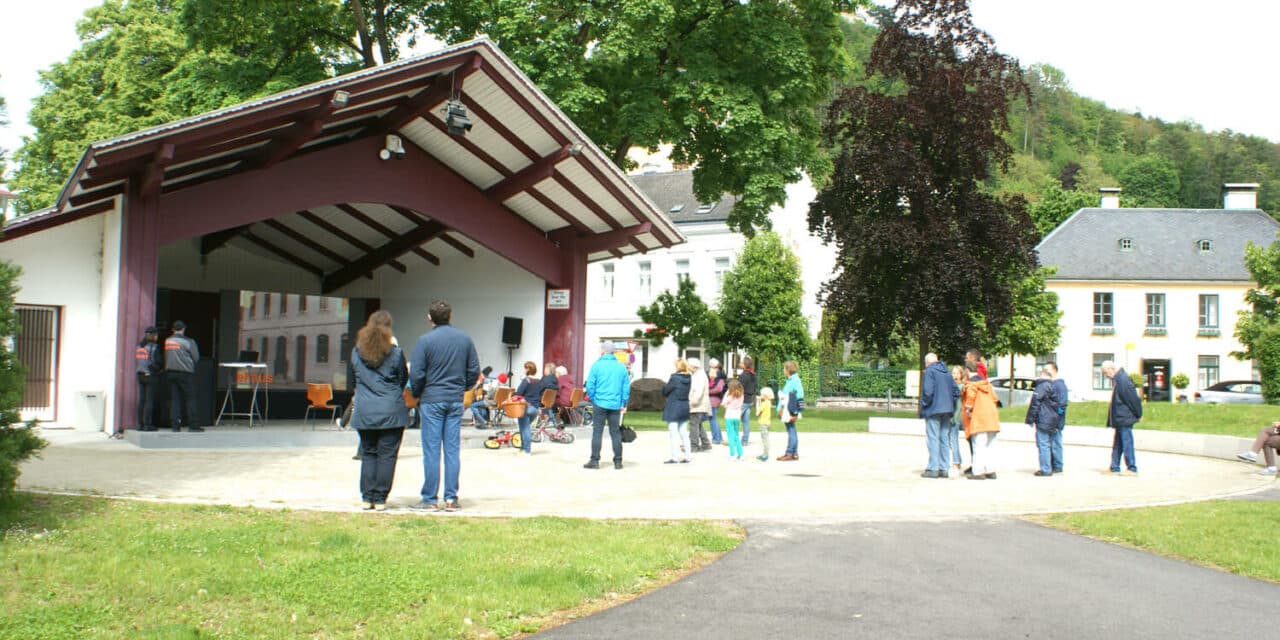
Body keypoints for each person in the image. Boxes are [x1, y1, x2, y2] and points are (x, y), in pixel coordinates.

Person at [409, 300, 480, 512]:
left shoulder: (424, 341)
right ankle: (451, 498)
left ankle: (430, 498)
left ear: (429, 318)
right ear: (450, 316)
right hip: (455, 399)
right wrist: (462, 388)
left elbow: (417, 374)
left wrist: (418, 393)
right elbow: (473, 370)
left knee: (431, 450)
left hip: (431, 399)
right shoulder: (464, 339)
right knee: (452, 449)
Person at [350, 310, 410, 511]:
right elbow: (402, 379)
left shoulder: (356, 352)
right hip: (391, 411)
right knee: (387, 456)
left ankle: (367, 497)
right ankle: (381, 498)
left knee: (369, 453)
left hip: (364, 410)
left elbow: (354, 378)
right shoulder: (395, 353)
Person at [584, 341, 631, 470]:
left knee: (597, 432)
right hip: (615, 404)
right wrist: (623, 402)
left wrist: (593, 399)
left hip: (599, 402)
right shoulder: (621, 367)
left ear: (603, 351)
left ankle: (594, 460)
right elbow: (626, 387)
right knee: (615, 432)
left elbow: (590, 385)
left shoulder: (596, 366)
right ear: (613, 352)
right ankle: (618, 461)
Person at [919, 353, 958, 478]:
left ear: (927, 362)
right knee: (944, 438)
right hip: (947, 410)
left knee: (933, 438)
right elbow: (955, 391)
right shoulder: (946, 372)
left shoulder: (930, 371)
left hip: (933, 409)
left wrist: (924, 404)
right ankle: (944, 467)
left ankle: (933, 468)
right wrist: (950, 404)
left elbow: (927, 391)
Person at [961, 361, 1000, 479]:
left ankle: (978, 472)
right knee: (990, 445)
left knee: (978, 445)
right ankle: (990, 470)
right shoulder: (986, 384)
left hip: (979, 418)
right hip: (992, 418)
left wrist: (968, 410)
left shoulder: (971, 384)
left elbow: (970, 398)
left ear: (967, 371)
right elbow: (995, 399)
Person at [1102, 360, 1142, 475]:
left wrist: (1138, 414)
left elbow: (1133, 400)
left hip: (1124, 418)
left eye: (1106, 373)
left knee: (1126, 442)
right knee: (1118, 443)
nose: (1106, 376)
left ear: (1111, 369)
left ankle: (1132, 467)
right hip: (1120, 418)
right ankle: (1114, 466)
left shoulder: (1124, 380)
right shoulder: (1119, 380)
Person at [164, 320, 202, 432]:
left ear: (173, 329)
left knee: (175, 399)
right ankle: (193, 424)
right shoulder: (189, 342)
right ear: (183, 329)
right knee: (190, 398)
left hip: (170, 372)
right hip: (185, 373)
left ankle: (175, 425)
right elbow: (196, 357)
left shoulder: (168, 341)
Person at [1026, 365, 1065, 476]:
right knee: (1051, 443)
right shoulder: (1055, 386)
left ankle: (1046, 469)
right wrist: (1059, 418)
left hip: (1043, 419)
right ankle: (1054, 466)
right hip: (1053, 419)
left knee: (1043, 444)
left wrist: (1030, 419)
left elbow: (1035, 404)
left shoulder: (1041, 387)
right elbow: (1060, 405)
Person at [131, 326, 162, 435]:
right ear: (153, 335)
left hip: (140, 374)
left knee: (141, 400)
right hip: (150, 375)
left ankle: (139, 424)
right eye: (156, 335)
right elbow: (158, 361)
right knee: (149, 401)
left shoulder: (139, 346)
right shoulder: (153, 347)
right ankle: (148, 424)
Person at [662, 358, 693, 464]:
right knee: (684, 432)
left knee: (673, 432)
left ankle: (675, 457)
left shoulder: (674, 378)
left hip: (674, 405)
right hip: (684, 405)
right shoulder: (689, 378)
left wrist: (664, 387)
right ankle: (688, 456)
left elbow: (666, 390)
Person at [514, 361, 543, 455]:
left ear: (528, 369)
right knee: (524, 428)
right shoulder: (539, 381)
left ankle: (526, 450)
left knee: (524, 428)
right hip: (535, 409)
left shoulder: (526, 380)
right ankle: (522, 449)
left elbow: (519, 393)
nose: (524, 370)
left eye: (525, 368)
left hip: (525, 407)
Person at [777, 360, 804, 461]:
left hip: (790, 410)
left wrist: (796, 413)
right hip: (787, 410)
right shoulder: (790, 380)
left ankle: (789, 453)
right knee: (792, 430)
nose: (783, 370)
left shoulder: (795, 380)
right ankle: (794, 453)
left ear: (788, 370)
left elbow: (799, 396)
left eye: (784, 368)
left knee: (791, 430)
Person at [688, 358, 711, 452]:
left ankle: (694, 446)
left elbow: (698, 391)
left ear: (694, 367)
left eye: (688, 365)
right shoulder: (698, 374)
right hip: (699, 405)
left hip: (697, 405)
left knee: (694, 425)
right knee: (698, 424)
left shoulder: (699, 376)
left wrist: (692, 402)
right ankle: (706, 444)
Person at [949, 365, 968, 477]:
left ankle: (956, 462)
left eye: (957, 373)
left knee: (953, 440)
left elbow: (958, 405)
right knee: (951, 440)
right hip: (953, 416)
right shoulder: (953, 386)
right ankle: (957, 461)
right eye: (953, 373)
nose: (955, 375)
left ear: (961, 375)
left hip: (956, 417)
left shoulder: (960, 387)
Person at [722, 380, 745, 460]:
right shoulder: (741, 395)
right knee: (736, 435)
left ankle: (732, 454)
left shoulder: (730, 395)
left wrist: (726, 394)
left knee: (730, 436)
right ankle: (740, 453)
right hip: (737, 416)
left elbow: (723, 403)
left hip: (729, 416)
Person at [706, 358, 727, 445]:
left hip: (713, 399)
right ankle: (718, 437)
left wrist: (707, 391)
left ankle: (716, 438)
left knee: (712, 419)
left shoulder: (718, 376)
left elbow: (718, 388)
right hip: (715, 399)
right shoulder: (720, 374)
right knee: (713, 418)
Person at [738, 356, 757, 446]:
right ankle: (745, 440)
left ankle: (734, 439)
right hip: (750, 400)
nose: (740, 363)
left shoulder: (744, 375)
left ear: (745, 365)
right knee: (746, 422)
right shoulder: (753, 374)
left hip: (743, 400)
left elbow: (739, 388)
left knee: (735, 419)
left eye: (742, 362)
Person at [754, 387, 775, 462]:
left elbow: (757, 413)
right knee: (766, 438)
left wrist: (757, 401)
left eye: (761, 394)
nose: (760, 395)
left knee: (764, 439)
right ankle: (765, 453)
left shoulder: (763, 403)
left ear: (765, 395)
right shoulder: (769, 402)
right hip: (768, 422)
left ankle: (765, 455)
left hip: (763, 423)